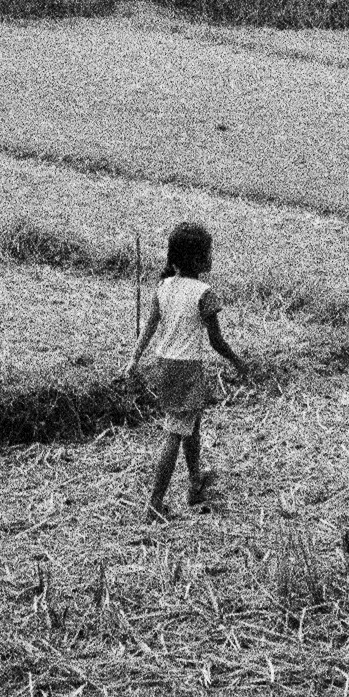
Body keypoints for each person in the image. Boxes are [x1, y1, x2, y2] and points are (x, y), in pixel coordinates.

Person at [128, 218, 247, 520]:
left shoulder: (163, 286)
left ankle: (195, 483)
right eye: (207, 252)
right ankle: (155, 503)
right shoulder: (204, 293)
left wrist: (134, 358)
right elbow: (216, 341)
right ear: (196, 259)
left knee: (190, 424)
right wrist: (237, 361)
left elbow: (149, 327)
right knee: (175, 432)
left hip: (164, 365)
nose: (210, 257)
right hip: (187, 369)